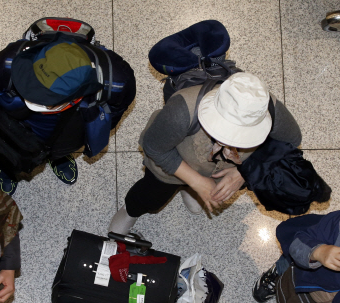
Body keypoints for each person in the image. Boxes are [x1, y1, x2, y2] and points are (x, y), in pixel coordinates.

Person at [108, 72, 303, 234]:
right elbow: (154, 147)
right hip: (172, 162)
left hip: (220, 170)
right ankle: (131, 211)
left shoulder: (268, 108)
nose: (232, 142)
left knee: (208, 189)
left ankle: (187, 189)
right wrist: (196, 181)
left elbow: (292, 142)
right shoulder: (182, 109)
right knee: (151, 196)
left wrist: (242, 174)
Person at [0, 33, 135, 191]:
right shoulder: (11, 61)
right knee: (9, 148)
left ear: (76, 98)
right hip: (15, 121)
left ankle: (59, 158)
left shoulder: (118, 83)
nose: (29, 98)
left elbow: (112, 116)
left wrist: (90, 137)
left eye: (43, 101)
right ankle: (9, 170)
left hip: (68, 126)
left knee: (61, 147)